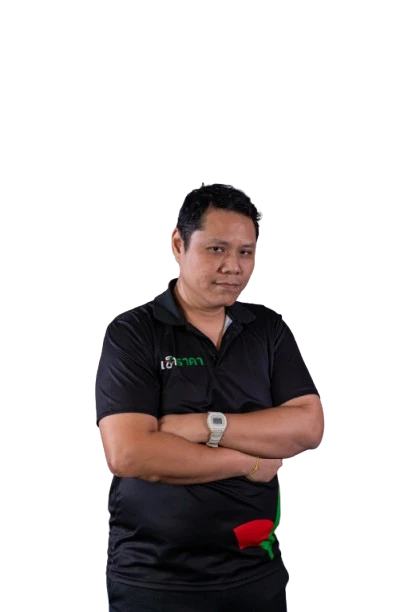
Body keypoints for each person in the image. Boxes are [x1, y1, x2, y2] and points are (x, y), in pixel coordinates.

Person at [96, 181, 324, 611]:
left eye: (246, 252)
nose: (233, 267)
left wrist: (205, 426)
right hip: (154, 576)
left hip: (255, 570)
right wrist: (248, 462)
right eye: (216, 249)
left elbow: (308, 426)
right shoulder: (134, 334)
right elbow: (130, 454)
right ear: (178, 244)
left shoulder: (267, 329)